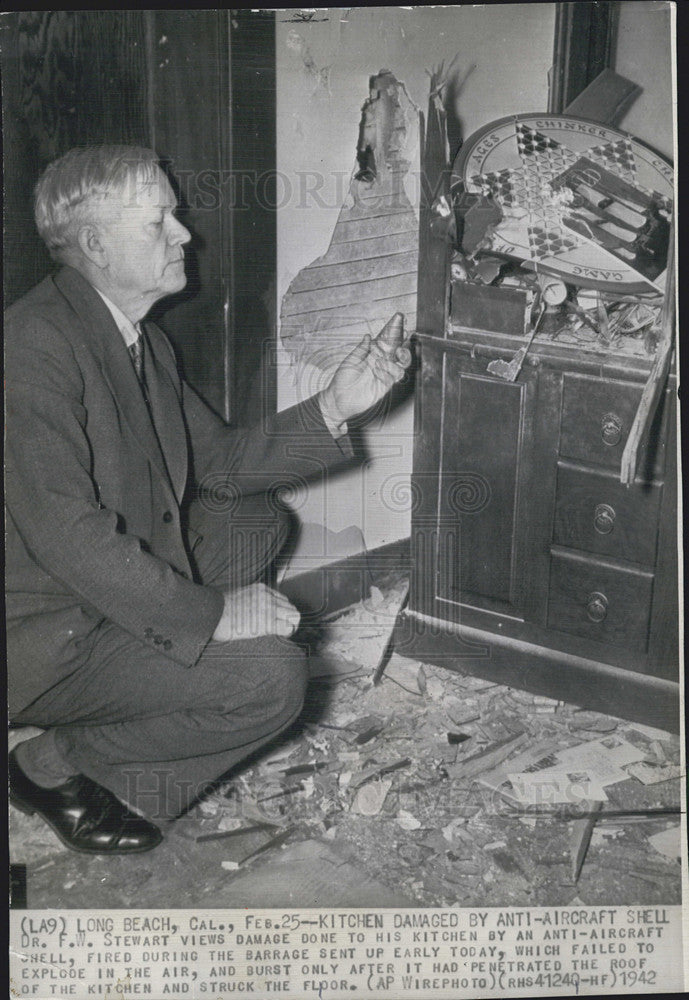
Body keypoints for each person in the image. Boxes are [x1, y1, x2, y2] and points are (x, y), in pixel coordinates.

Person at [6, 145, 409, 854]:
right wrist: (213, 616)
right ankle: (52, 765)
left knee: (253, 521)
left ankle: (144, 685)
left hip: (94, 593)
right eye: (159, 220)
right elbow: (68, 535)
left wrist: (338, 406)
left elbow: (220, 463)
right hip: (41, 632)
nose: (184, 233)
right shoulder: (32, 346)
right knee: (272, 678)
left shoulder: (138, 342)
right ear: (96, 244)